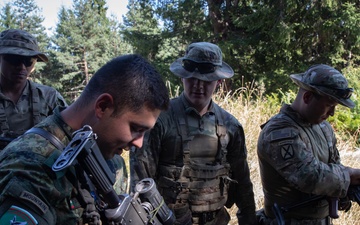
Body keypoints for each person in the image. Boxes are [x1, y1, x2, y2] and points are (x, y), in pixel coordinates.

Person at [0, 54, 170, 225]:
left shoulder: (110, 158)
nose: (138, 143)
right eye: (136, 129)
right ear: (102, 107)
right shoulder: (29, 168)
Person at [131, 42, 257, 225]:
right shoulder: (159, 121)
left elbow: (243, 184)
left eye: (206, 80)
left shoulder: (230, 125)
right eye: (192, 78)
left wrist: (250, 220)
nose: (198, 85)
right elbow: (140, 182)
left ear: (219, 81)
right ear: (182, 78)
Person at [256, 64, 360, 225]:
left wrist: (347, 190)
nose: (332, 113)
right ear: (307, 98)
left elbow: (334, 167)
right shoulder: (279, 132)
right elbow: (309, 176)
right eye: (329, 105)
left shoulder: (323, 128)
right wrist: (350, 176)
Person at [0, 28, 68, 150]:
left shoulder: (49, 97)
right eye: (14, 59)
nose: (21, 67)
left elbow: (73, 134)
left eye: (29, 61)